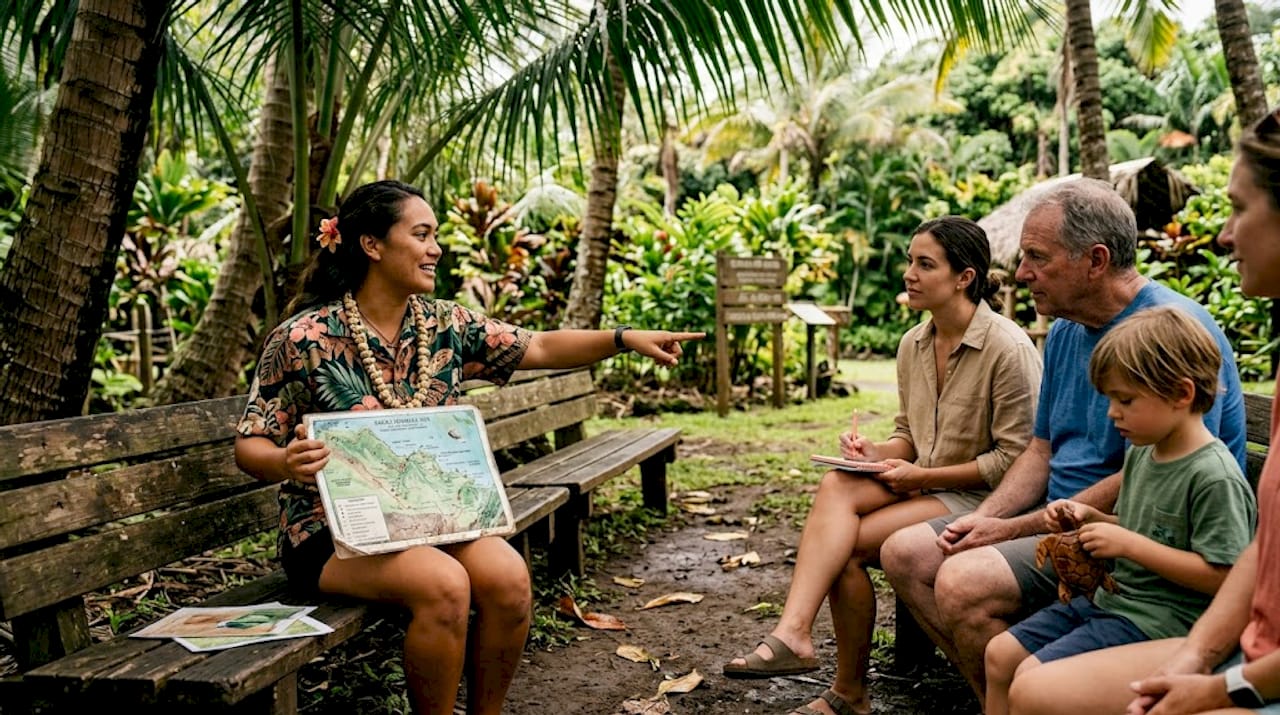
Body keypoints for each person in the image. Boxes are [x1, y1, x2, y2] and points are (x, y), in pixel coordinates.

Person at [233, 179, 703, 715]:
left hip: (434, 517)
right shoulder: (301, 337)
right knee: (445, 586)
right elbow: (249, 445)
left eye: (436, 236)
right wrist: (286, 463)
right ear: (371, 245)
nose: (436, 248)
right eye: (422, 234)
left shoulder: (447, 325)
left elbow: (543, 346)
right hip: (334, 533)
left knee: (508, 578)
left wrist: (623, 339)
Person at [879, 177, 1248, 708]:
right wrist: (992, 519)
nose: (1021, 272)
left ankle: (1033, 695)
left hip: (1133, 536)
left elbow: (1159, 472)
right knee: (907, 551)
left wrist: (1016, 526)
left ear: (1095, 260)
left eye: (1037, 257)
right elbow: (1042, 449)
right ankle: (1000, 699)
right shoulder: (1069, 328)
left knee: (962, 580)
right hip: (1063, 518)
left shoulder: (1167, 334)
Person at [1005, 106, 1280, 715]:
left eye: (1239, 207)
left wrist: (1219, 680)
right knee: (1016, 668)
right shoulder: (1071, 334)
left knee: (1034, 688)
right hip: (1197, 628)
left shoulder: (1186, 438)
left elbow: (1229, 558)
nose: (1225, 235)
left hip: (1203, 629)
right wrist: (1197, 661)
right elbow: (1264, 557)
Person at [723, 216, 1043, 715]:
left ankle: (843, 686)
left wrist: (922, 477)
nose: (908, 274)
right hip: (928, 487)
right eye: (909, 262)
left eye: (925, 264)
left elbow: (1014, 462)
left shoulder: (1008, 348)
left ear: (965, 277)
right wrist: (875, 452)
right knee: (837, 482)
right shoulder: (913, 343)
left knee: (845, 547)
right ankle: (797, 635)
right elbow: (911, 438)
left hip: (985, 500)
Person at [984, 306, 1256, 715]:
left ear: (1181, 394)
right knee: (999, 655)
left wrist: (1127, 544)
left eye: (1125, 400)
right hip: (1114, 602)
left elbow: (1225, 577)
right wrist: (1095, 521)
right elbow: (1144, 530)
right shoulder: (1145, 455)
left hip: (1163, 621)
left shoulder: (1213, 477)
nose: (1113, 413)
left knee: (1030, 680)